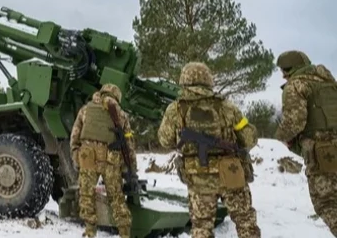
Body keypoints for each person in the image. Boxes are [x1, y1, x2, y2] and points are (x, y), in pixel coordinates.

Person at [157, 62, 261, 238]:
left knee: (201, 226)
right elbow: (250, 138)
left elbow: (165, 140)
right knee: (245, 222)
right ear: (208, 80)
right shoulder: (227, 107)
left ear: (184, 81)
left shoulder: (175, 109)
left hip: (198, 177)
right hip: (231, 173)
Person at [274, 50, 337, 236]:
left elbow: (294, 123)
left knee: (327, 204)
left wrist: (282, 137)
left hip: (323, 155)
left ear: (287, 69)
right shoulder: (329, 83)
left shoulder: (296, 85)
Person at [70, 83, 136, 237]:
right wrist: (131, 168)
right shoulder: (121, 114)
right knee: (117, 198)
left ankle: (90, 232)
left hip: (88, 158)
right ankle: (125, 233)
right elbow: (129, 145)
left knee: (86, 196)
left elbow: (75, 136)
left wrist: (76, 156)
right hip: (111, 161)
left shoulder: (85, 110)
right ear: (116, 97)